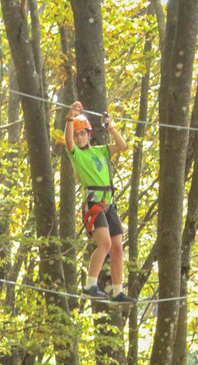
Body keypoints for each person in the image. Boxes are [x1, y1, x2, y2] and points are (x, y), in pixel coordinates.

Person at [63, 100, 135, 304]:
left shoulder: (101, 151)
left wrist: (110, 126)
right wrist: (70, 117)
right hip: (94, 202)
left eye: (82, 133)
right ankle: (89, 286)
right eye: (77, 134)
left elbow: (122, 146)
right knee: (104, 243)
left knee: (118, 247)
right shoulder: (76, 154)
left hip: (108, 203)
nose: (78, 137)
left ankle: (118, 291)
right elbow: (68, 141)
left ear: (89, 133)